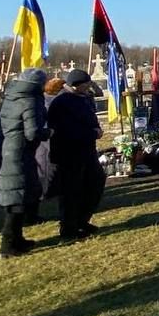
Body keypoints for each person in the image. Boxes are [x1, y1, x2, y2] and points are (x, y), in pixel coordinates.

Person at [0, 68, 49, 257]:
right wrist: (48, 132)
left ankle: (17, 238)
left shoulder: (10, 97)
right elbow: (32, 132)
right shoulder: (29, 101)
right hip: (21, 151)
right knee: (17, 197)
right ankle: (8, 244)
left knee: (18, 193)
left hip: (8, 147)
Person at [47, 69, 106, 241]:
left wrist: (96, 129)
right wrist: (92, 133)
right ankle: (69, 227)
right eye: (86, 84)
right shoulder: (62, 102)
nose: (89, 87)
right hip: (69, 152)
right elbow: (66, 130)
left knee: (95, 183)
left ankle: (82, 220)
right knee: (71, 190)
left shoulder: (83, 98)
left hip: (87, 150)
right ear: (76, 85)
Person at [34, 77, 65, 210]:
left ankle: (50, 190)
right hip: (47, 137)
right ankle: (44, 192)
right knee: (45, 165)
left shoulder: (47, 99)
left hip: (50, 136)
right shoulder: (49, 102)